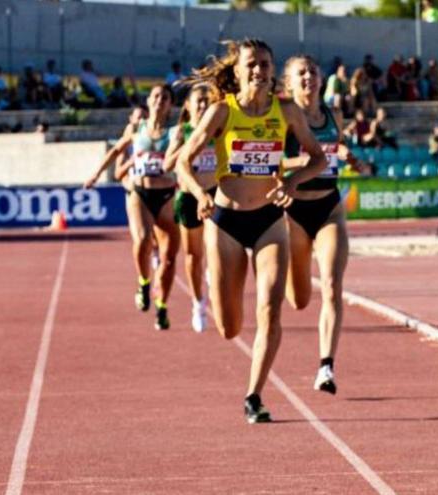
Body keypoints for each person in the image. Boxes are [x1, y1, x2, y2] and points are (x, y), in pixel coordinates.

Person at [175, 39, 327, 423]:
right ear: (238, 71)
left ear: (273, 69)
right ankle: (217, 285)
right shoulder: (221, 112)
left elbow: (318, 158)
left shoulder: (287, 111)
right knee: (229, 328)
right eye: (252, 64)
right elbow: (183, 162)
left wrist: (292, 184)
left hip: (270, 222)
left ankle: (254, 396)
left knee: (270, 310)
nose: (259, 70)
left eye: (265, 63)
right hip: (225, 221)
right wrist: (198, 193)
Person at [281, 55, 370, 395]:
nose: (309, 77)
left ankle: (326, 367)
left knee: (333, 284)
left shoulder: (334, 114)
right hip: (293, 213)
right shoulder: (285, 114)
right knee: (299, 299)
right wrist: (300, 161)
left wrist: (350, 157)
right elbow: (272, 160)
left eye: (313, 71)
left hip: (329, 208)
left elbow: (336, 148)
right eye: (301, 73)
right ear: (289, 82)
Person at [85, 85, 180, 330]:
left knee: (169, 260)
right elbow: (116, 150)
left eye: (165, 98)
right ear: (149, 101)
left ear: (170, 105)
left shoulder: (175, 132)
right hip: (140, 192)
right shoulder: (136, 129)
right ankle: (144, 283)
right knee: (143, 239)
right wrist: (95, 174)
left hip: (168, 195)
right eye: (156, 96)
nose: (160, 101)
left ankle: (162, 307)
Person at [163, 84, 217, 333]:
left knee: (216, 248)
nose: (204, 106)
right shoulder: (180, 131)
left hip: (215, 195)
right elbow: (167, 164)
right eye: (200, 101)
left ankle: (214, 281)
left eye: (208, 101)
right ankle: (198, 302)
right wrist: (189, 146)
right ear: (188, 105)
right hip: (188, 197)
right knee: (194, 257)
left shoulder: (219, 127)